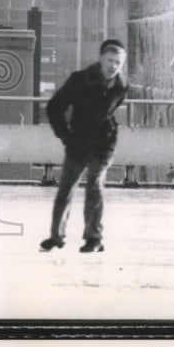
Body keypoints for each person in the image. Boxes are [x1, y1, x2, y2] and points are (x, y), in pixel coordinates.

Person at [39, 39, 128, 254]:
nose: (114, 66)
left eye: (118, 62)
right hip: (78, 141)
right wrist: (65, 135)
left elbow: (109, 111)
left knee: (95, 186)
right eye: (110, 60)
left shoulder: (121, 85)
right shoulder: (80, 80)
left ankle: (94, 238)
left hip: (104, 142)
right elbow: (54, 107)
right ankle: (56, 236)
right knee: (66, 189)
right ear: (100, 59)